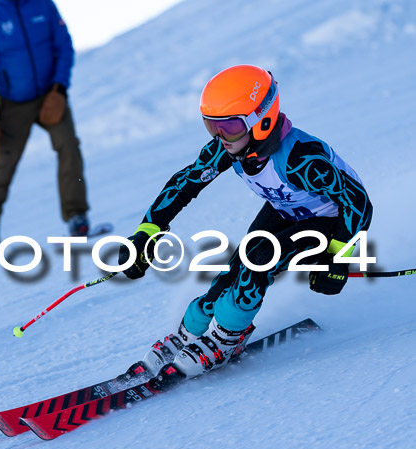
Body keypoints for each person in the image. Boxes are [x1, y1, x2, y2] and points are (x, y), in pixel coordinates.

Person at [118, 65, 372, 378]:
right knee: (234, 271)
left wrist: (337, 256)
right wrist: (148, 231)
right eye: (212, 126)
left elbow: (357, 201)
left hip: (330, 220)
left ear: (261, 120)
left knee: (258, 262)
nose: (220, 137)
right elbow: (185, 183)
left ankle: (227, 338)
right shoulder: (234, 146)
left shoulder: (300, 159)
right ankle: (190, 334)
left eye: (230, 127)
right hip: (285, 209)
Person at [0, 0, 90, 261]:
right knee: (4, 165)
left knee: (68, 146)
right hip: (13, 104)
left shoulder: (43, 6)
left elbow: (64, 46)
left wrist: (59, 90)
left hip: (51, 97)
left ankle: (76, 216)